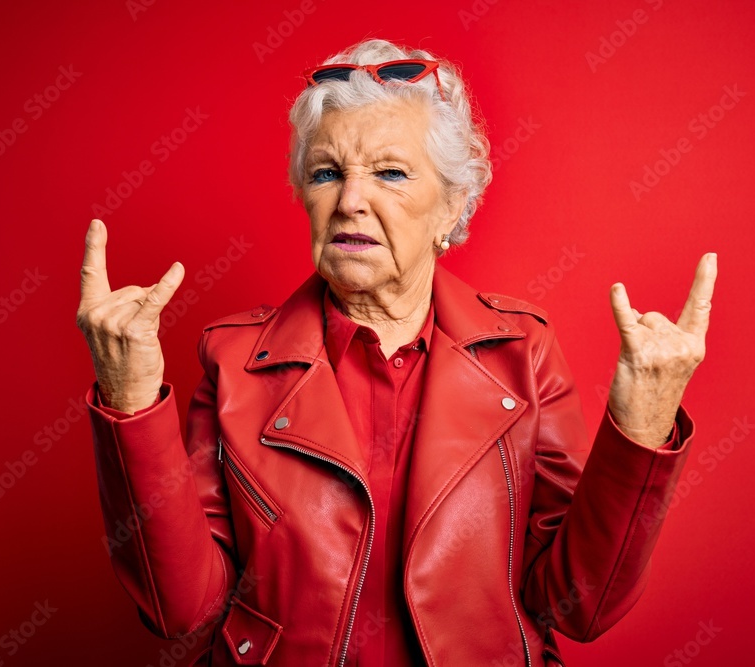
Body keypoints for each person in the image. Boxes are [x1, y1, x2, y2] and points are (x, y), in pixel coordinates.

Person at [77, 38, 717, 667]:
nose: (350, 201)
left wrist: (641, 429)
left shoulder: (524, 353)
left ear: (452, 206)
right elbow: (180, 608)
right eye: (327, 173)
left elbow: (579, 608)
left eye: (390, 173)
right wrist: (129, 402)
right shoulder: (233, 360)